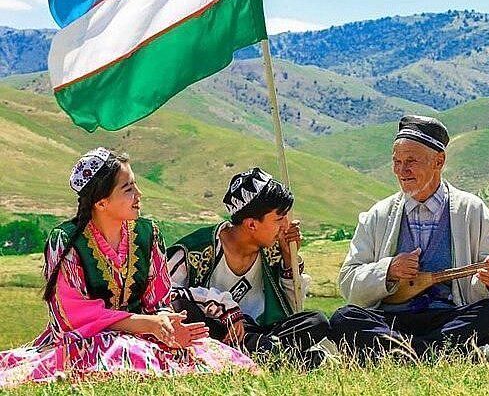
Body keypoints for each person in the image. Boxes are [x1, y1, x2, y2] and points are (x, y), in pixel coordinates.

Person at [0, 149, 254, 388]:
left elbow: (158, 300)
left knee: (216, 355)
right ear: (101, 202)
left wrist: (168, 326)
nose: (139, 194)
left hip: (144, 333)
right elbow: (73, 318)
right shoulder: (66, 242)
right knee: (121, 351)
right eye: (129, 188)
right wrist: (149, 324)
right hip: (87, 339)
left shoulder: (148, 233)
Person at [329, 115, 489, 360]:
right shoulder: (378, 215)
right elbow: (348, 281)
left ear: (439, 161)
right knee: (344, 318)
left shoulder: (473, 211)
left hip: (450, 316)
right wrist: (388, 270)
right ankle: (436, 353)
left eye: (411, 161)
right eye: (396, 162)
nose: (401, 171)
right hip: (391, 319)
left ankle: (403, 353)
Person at [167, 168, 331, 368]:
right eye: (279, 219)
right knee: (184, 308)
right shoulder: (195, 250)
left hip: (265, 331)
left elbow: (292, 308)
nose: (286, 225)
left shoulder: (273, 249)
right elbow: (165, 295)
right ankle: (278, 356)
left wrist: (290, 258)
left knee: (317, 321)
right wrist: (224, 308)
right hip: (217, 332)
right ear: (252, 224)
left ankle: (264, 353)